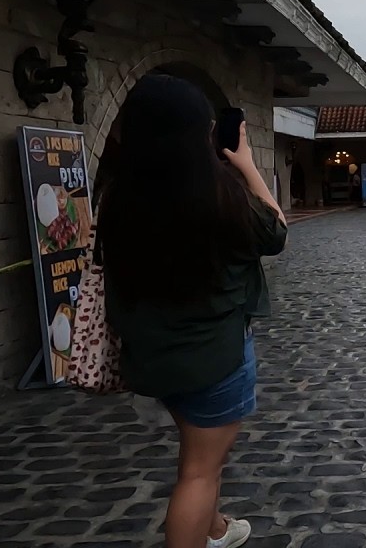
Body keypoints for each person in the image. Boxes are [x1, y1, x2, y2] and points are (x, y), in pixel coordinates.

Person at [98, 75, 287, 548]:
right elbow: (276, 231)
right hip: (213, 355)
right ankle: (199, 530)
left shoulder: (117, 197)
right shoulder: (222, 196)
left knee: (200, 452)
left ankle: (216, 528)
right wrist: (247, 166)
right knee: (198, 472)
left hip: (151, 353)